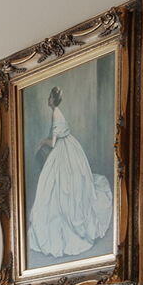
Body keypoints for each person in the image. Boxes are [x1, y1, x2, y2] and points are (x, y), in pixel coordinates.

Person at [26, 84, 113, 261]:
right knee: (54, 186)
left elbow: (53, 143)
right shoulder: (57, 112)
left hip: (63, 150)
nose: (48, 100)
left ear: (53, 100)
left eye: (50, 98)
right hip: (66, 148)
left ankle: (67, 227)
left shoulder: (56, 113)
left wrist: (42, 142)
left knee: (59, 187)